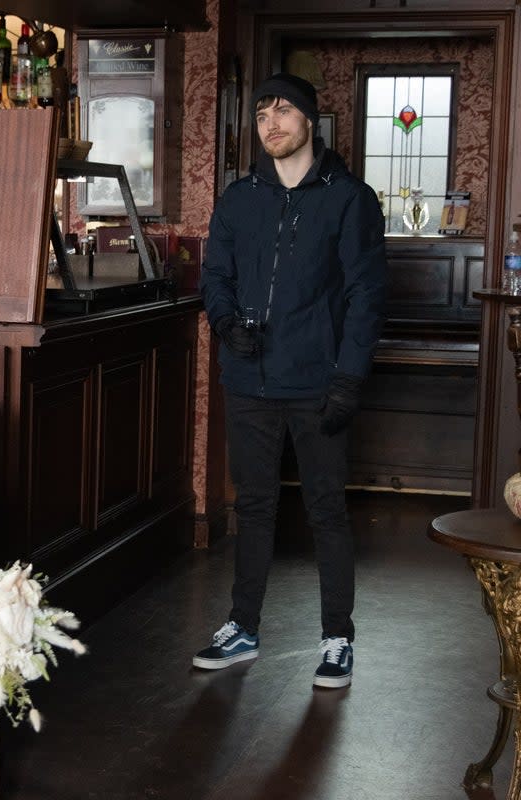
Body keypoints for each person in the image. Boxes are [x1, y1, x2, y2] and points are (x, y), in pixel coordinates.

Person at [195, 73, 386, 689]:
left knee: (326, 509)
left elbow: (365, 295)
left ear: (310, 120)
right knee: (253, 506)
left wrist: (349, 378)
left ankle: (338, 639)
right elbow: (214, 275)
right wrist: (226, 324)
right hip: (247, 376)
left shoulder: (349, 198)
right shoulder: (239, 197)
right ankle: (242, 628)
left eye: (283, 110)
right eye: (260, 113)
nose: (270, 122)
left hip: (318, 381)